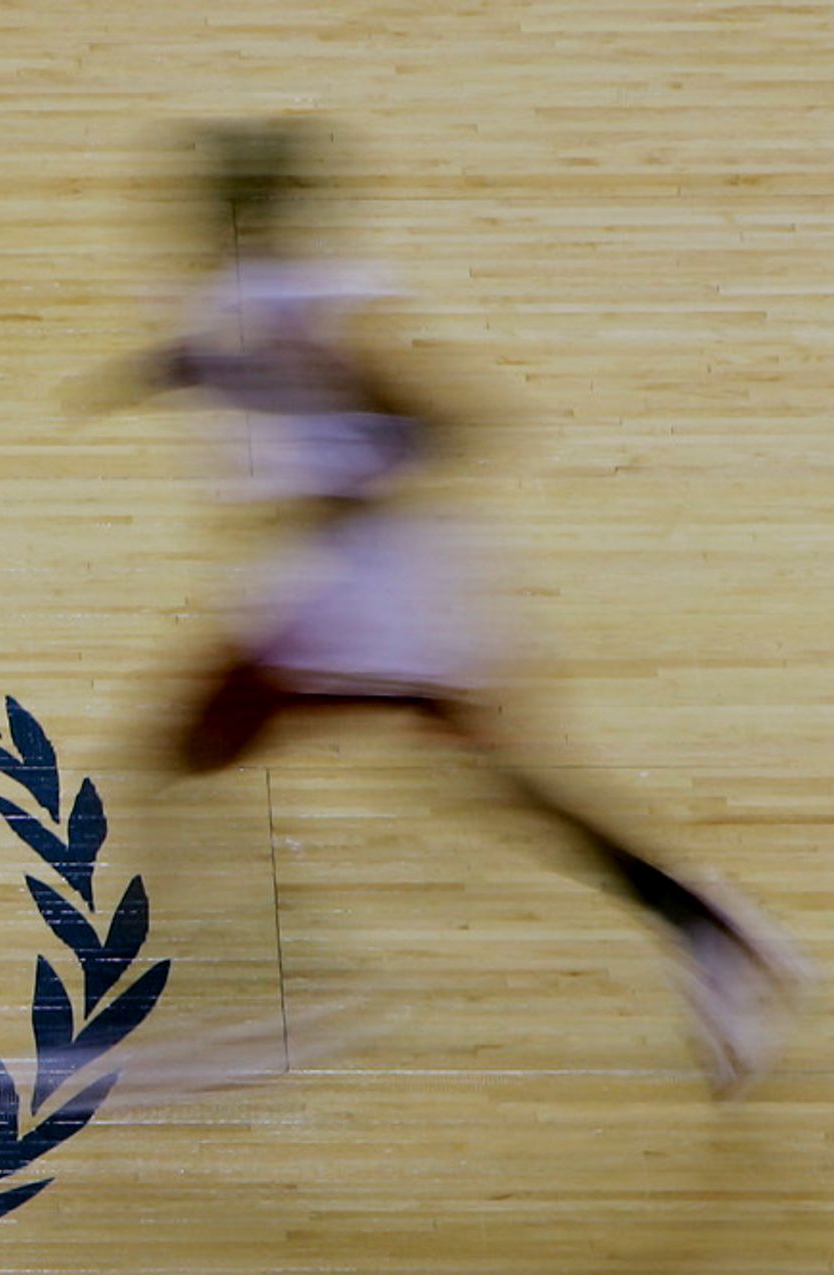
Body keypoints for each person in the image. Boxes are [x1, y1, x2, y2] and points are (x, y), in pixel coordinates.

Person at [87, 118, 805, 1091]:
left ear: (240, 207)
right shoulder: (260, 298)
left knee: (168, 768)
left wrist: (333, 487)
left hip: (357, 594)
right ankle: (711, 926)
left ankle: (262, 1007)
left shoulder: (292, 304)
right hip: (358, 588)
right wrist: (179, 371)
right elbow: (273, 378)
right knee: (499, 784)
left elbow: (447, 422)